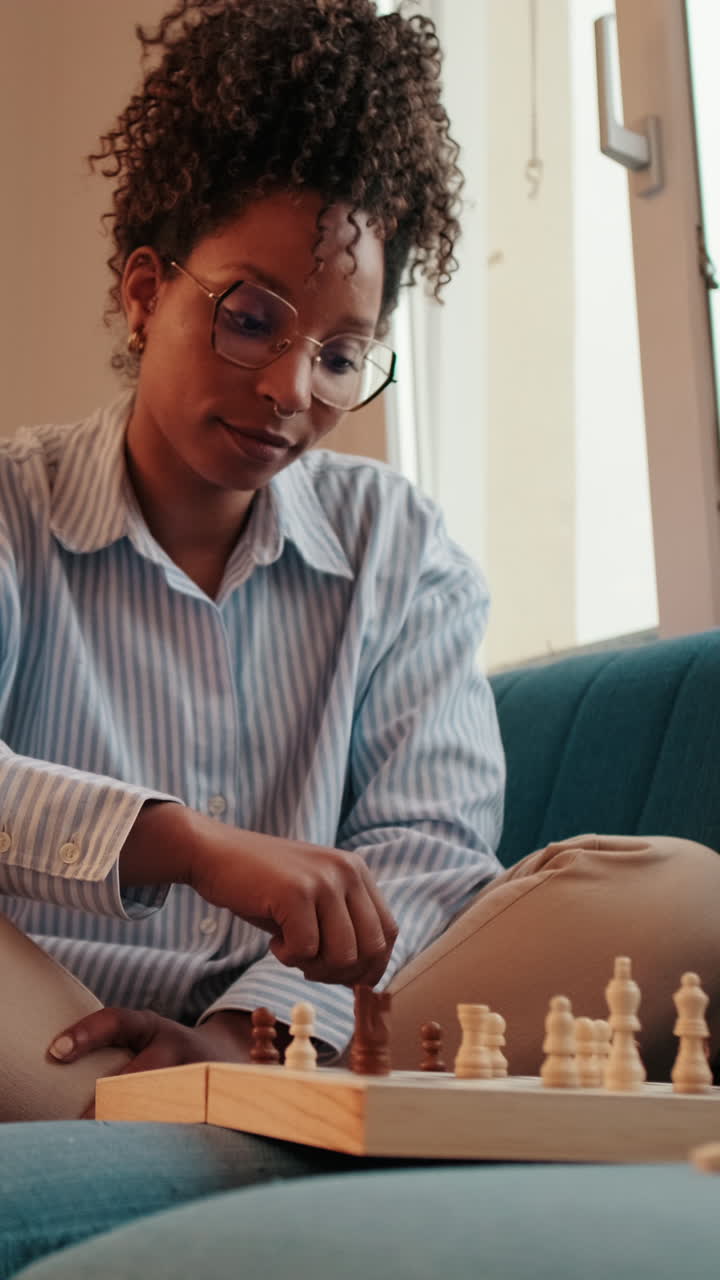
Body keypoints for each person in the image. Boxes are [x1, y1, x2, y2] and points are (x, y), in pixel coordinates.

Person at [1, 2, 719, 1276]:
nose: (291, 391)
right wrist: (185, 844)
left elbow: (430, 859)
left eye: (341, 353)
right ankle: (234, 1149)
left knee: (679, 886)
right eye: (251, 317)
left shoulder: (404, 550)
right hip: (51, 1041)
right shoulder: (11, 511)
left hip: (319, 1052)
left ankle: (248, 1135)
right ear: (147, 284)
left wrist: (247, 1035)